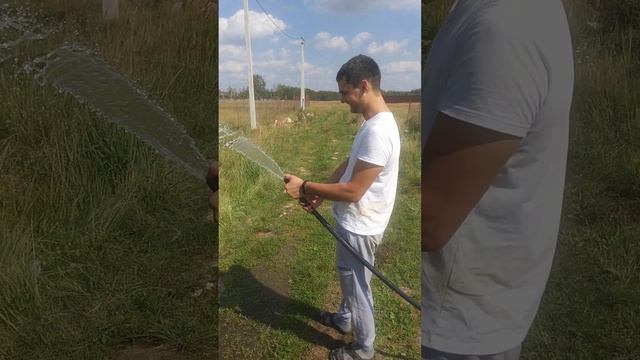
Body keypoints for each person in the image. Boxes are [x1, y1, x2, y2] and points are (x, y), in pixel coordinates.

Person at [421, 0, 574, 359]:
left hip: (457, 326)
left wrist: (360, 198)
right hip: (467, 307)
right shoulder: (489, 12)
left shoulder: (504, 29)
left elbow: (431, 221)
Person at [284, 54, 400, 360]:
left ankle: (362, 350)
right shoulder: (373, 123)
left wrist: (306, 186)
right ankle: (345, 320)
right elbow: (352, 164)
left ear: (363, 87)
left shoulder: (378, 131)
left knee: (357, 289)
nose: (341, 100)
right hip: (358, 224)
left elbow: (352, 191)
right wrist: (321, 192)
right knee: (353, 280)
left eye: (344, 92)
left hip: (361, 228)